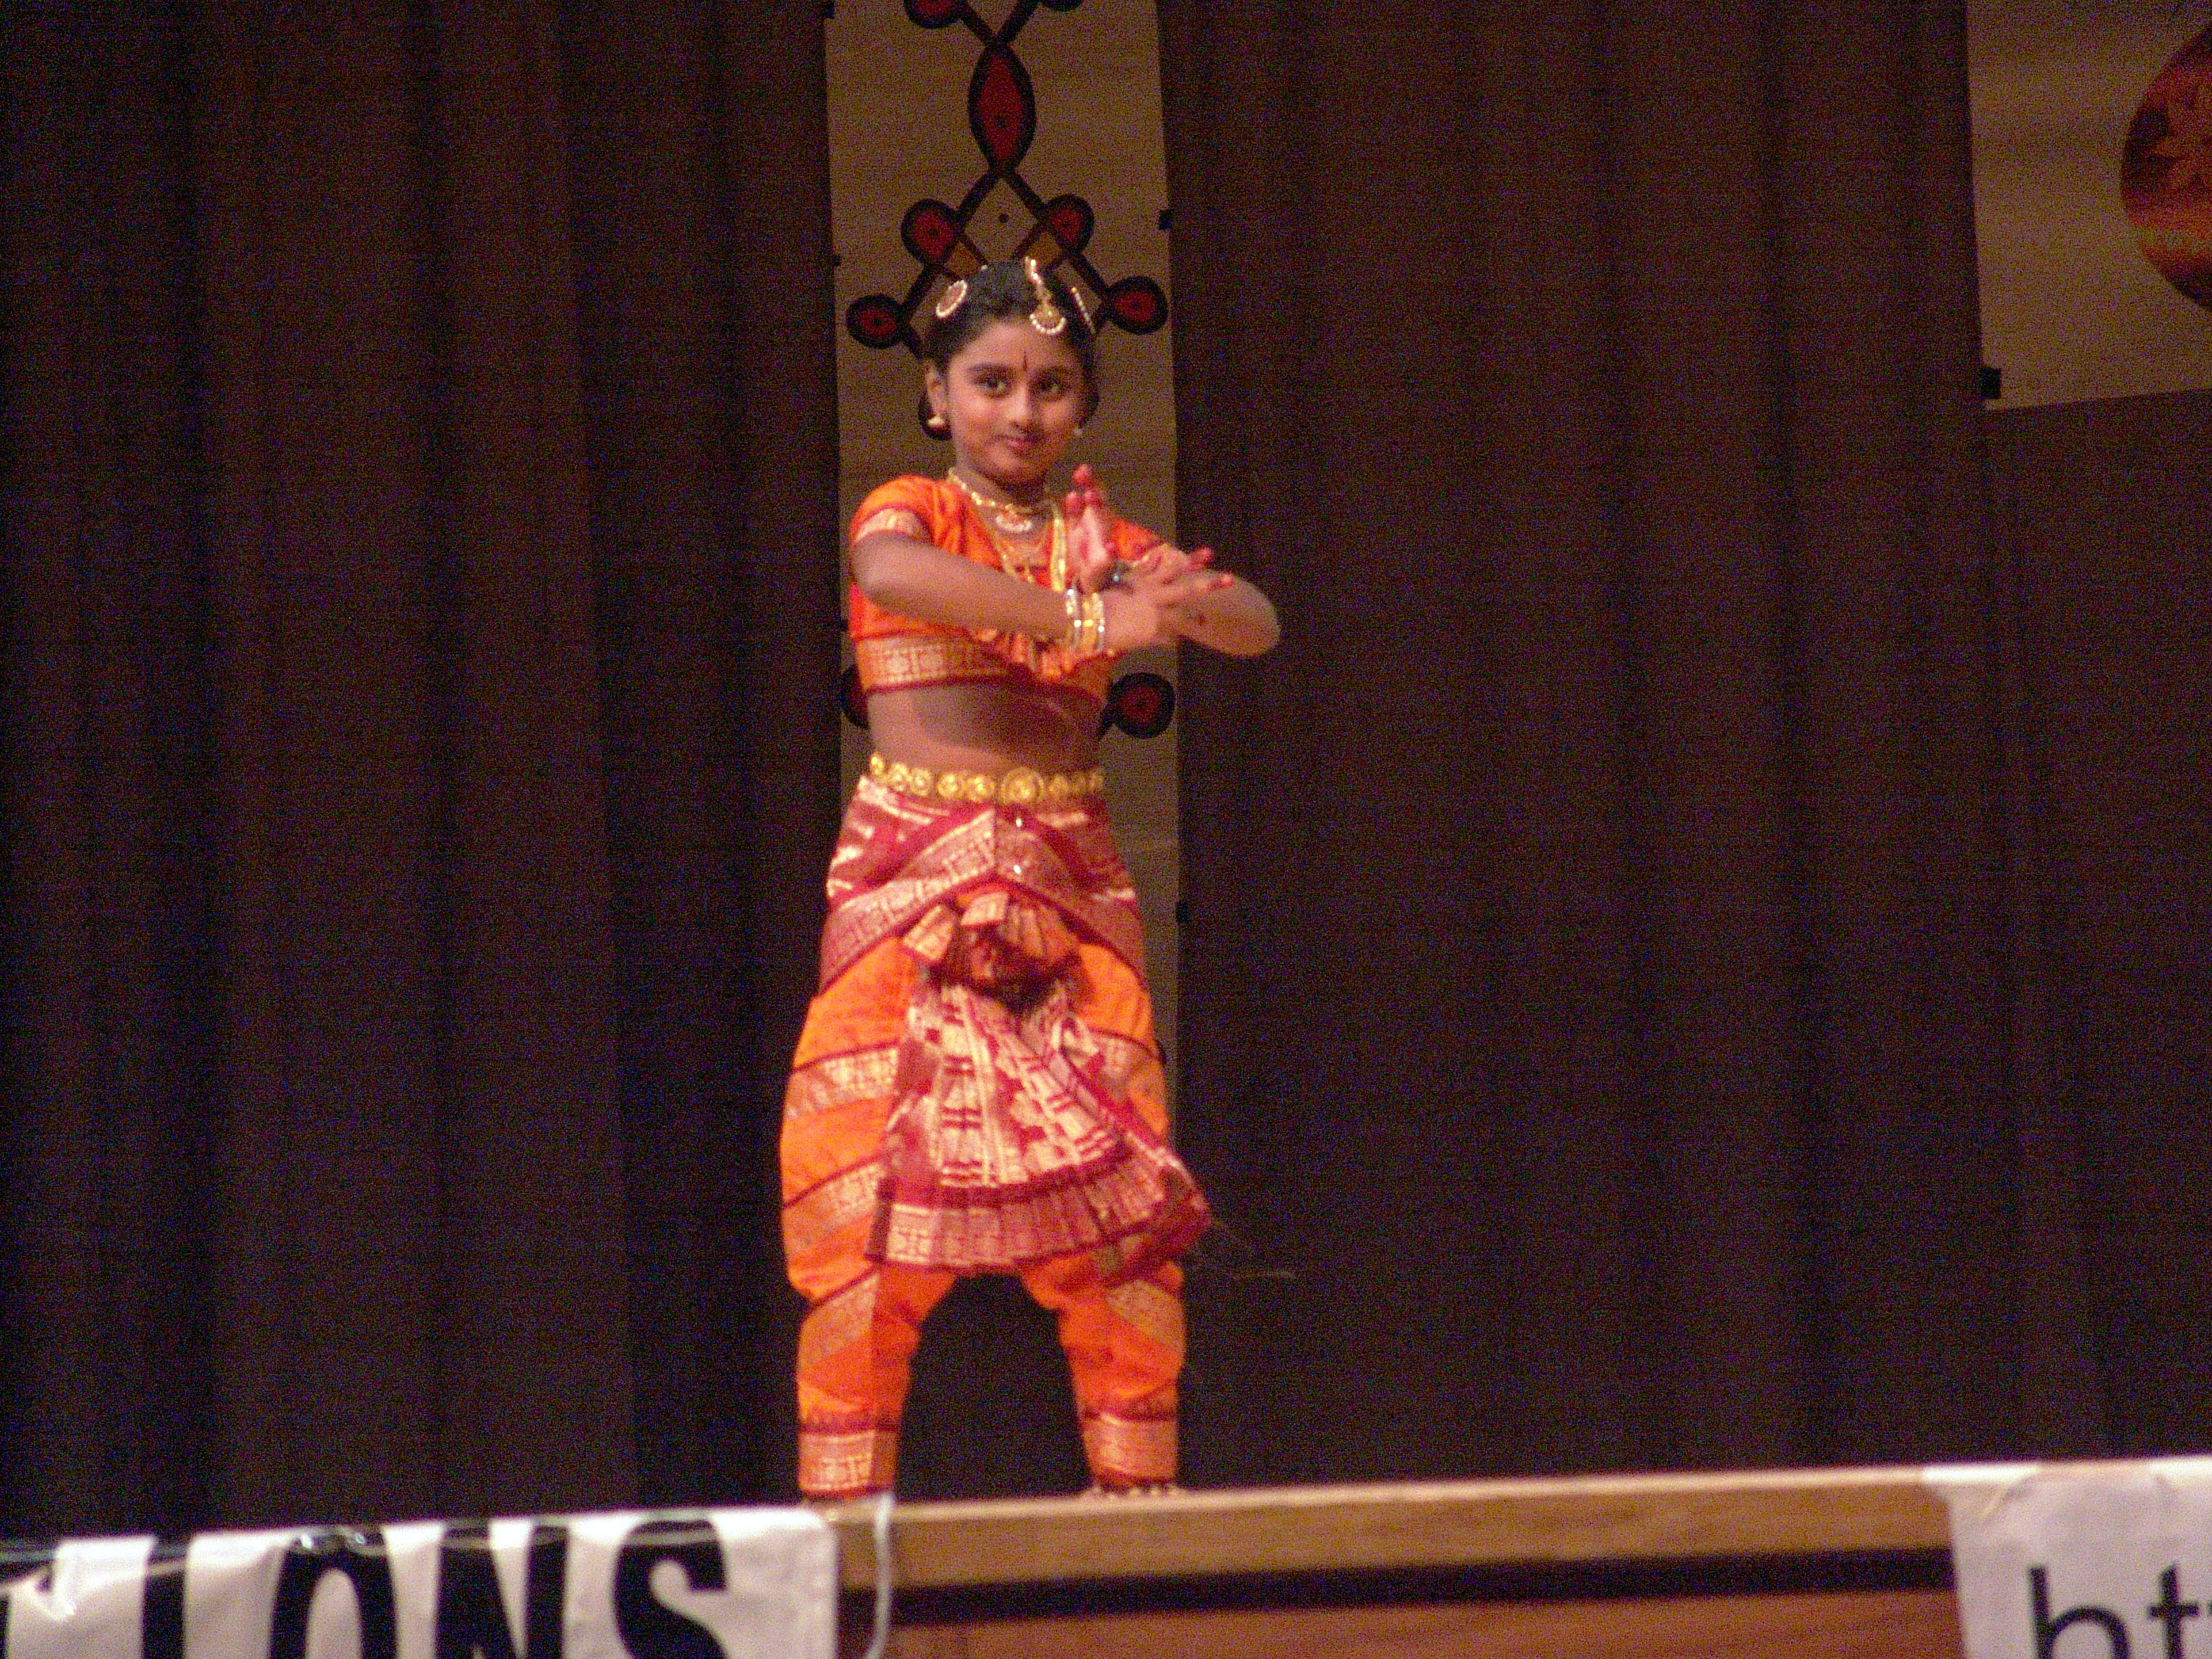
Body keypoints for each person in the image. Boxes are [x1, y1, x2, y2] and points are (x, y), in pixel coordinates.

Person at [781, 257, 1278, 1500]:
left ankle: (1137, 1539)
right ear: (937, 395)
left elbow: (1256, 624)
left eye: (1052, 386)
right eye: (991, 382)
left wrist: (1176, 597)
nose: (1022, 410)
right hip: (910, 899)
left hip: (1068, 902)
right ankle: (844, 1549)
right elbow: (889, 577)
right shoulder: (910, 512)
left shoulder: (1097, 542)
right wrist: (1093, 619)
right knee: (855, 1220)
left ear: (1085, 405)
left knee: (1124, 1233)